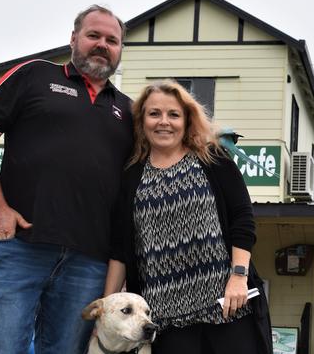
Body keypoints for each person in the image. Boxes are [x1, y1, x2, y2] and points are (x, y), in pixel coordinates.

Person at [0, 5, 133, 353]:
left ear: (120, 50)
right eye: (93, 35)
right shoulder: (35, 75)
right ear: (73, 39)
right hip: (21, 248)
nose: (102, 44)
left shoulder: (128, 110)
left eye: (112, 40)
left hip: (89, 261)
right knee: (2, 348)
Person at [104, 80, 272, 354]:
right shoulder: (132, 176)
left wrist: (239, 276)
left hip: (227, 308)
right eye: (154, 113)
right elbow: (120, 249)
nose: (164, 122)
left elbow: (243, 219)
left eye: (173, 114)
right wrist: (108, 305)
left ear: (187, 120)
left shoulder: (213, 160)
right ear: (142, 121)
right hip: (164, 322)